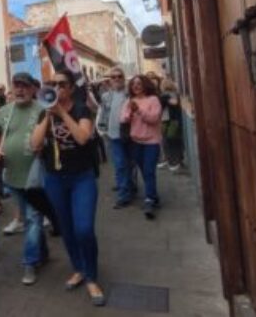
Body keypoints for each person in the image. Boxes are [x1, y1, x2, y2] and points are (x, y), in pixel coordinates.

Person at [30, 70, 106, 307]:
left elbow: (82, 137)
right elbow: (35, 144)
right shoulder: (44, 112)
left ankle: (92, 276)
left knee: (84, 229)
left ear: (71, 88)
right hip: (55, 179)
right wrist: (48, 115)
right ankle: (79, 268)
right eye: (52, 84)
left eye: (61, 84)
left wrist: (62, 113)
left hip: (82, 178)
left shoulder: (81, 109)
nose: (56, 87)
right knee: (67, 228)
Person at [0, 72, 48, 285]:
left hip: (36, 177)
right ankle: (43, 251)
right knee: (31, 218)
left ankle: (29, 263)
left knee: (32, 219)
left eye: (25, 85)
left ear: (33, 89)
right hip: (12, 177)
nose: (20, 89)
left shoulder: (42, 110)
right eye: (17, 85)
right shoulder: (4, 111)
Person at [121, 75, 164, 220]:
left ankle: (149, 200)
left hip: (152, 142)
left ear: (145, 85)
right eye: (133, 84)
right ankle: (154, 196)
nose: (136, 86)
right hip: (136, 142)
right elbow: (123, 118)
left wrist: (138, 110)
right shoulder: (129, 101)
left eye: (139, 83)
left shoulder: (153, 100)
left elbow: (154, 119)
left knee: (149, 170)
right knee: (145, 172)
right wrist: (130, 113)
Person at [95, 67, 134, 208]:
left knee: (130, 164)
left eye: (119, 76)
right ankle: (124, 194)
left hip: (129, 135)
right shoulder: (106, 96)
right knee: (120, 164)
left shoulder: (130, 95)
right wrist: (102, 130)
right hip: (113, 135)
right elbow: (102, 113)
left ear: (123, 78)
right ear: (110, 80)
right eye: (113, 77)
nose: (116, 79)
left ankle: (129, 186)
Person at [160, 79, 183, 171]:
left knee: (170, 140)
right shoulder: (174, 94)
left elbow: (174, 103)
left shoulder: (166, 95)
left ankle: (174, 161)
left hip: (170, 120)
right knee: (170, 140)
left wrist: (165, 99)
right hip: (170, 120)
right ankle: (172, 160)